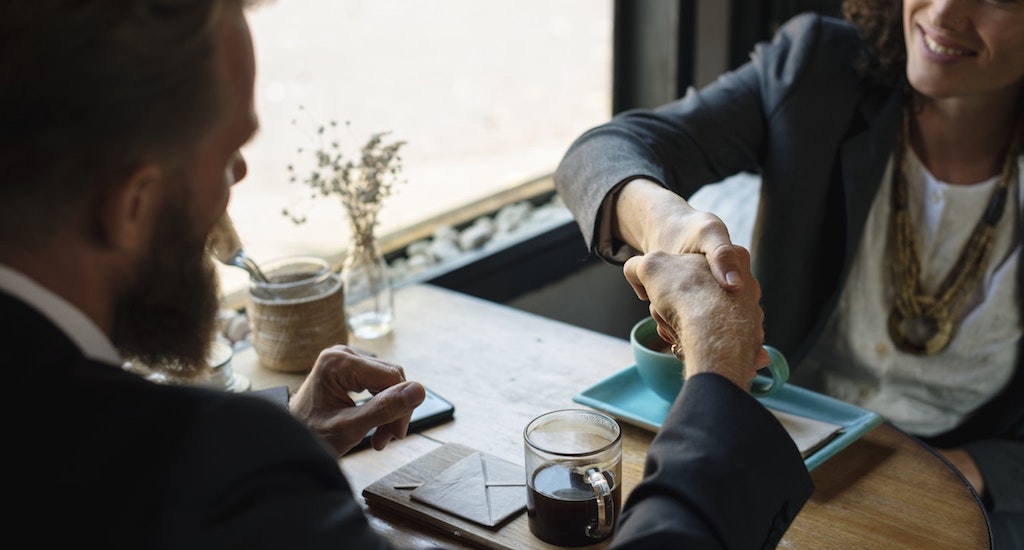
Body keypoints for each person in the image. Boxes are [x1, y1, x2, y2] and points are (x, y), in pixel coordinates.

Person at [3, 1, 811, 548]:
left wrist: (283, 440)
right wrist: (718, 375)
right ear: (134, 202)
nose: (232, 188)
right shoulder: (205, 473)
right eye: (227, 156)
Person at [554, 0, 1023, 545]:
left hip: (963, 488)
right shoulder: (820, 66)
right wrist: (668, 226)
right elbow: (599, 155)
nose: (943, 12)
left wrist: (965, 469)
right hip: (779, 452)